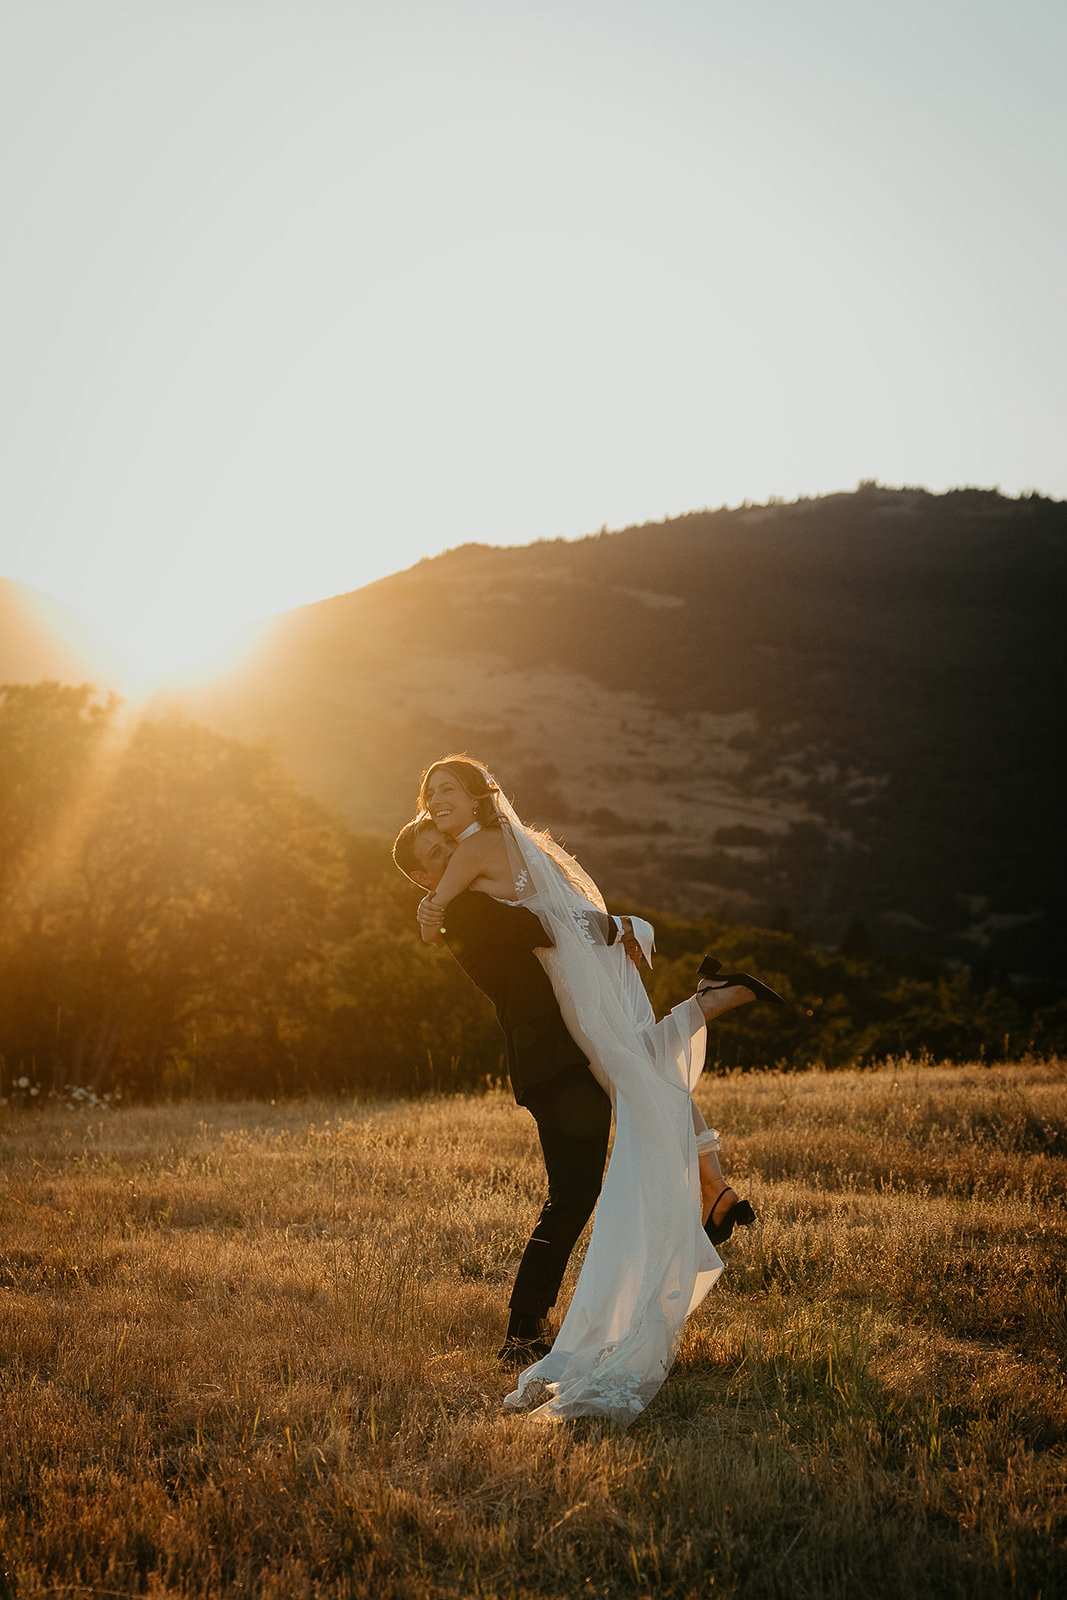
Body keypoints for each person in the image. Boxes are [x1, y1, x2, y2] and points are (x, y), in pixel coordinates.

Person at [407, 756, 782, 1424]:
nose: (443, 842)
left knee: (613, 1133)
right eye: (430, 852)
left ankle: (534, 1321)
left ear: (474, 797)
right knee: (605, 1143)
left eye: (445, 798)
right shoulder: (482, 894)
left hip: (561, 1049)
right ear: (417, 869)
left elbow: (540, 922)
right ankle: (707, 1026)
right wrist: (615, 927)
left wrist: (437, 912)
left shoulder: (476, 885)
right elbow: (542, 921)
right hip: (554, 1055)